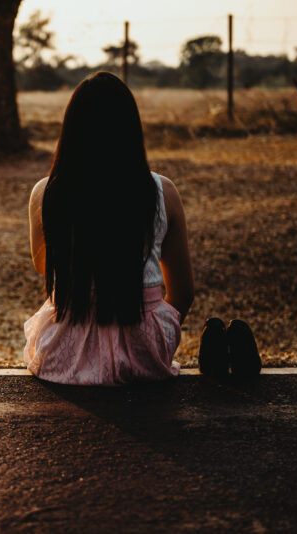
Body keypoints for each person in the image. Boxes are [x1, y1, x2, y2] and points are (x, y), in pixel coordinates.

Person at [24, 71, 194, 386]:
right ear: (131, 130)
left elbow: (43, 265)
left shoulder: (46, 193)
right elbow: (183, 293)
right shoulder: (162, 191)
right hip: (143, 347)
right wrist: (155, 332)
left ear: (71, 131)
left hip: (64, 346)